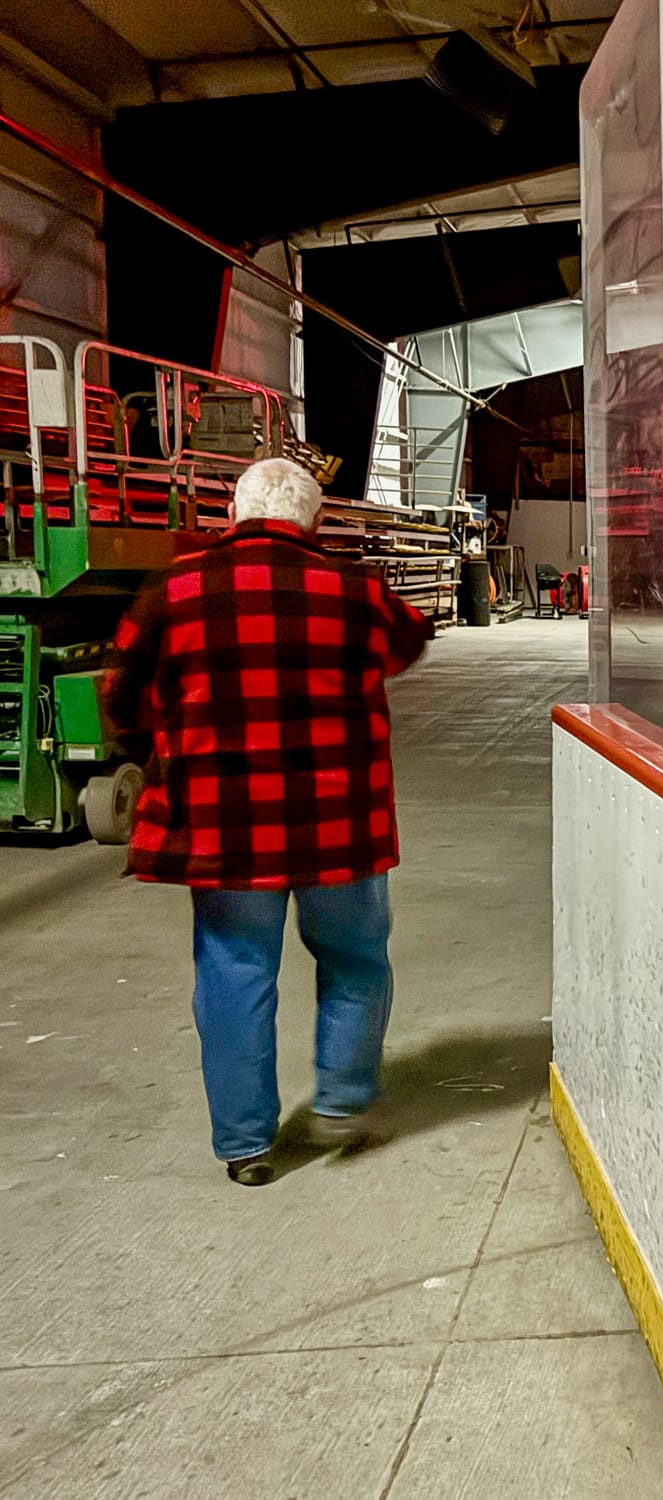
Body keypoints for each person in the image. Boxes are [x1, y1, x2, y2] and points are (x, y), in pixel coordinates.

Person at [105, 457, 434, 1186]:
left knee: (233, 971)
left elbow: (122, 695)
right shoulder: (359, 593)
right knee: (354, 959)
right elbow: (410, 642)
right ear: (314, 521)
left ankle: (245, 1145)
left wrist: (158, 753)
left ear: (234, 516)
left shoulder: (172, 592)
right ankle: (344, 1105)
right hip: (338, 825)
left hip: (222, 825)